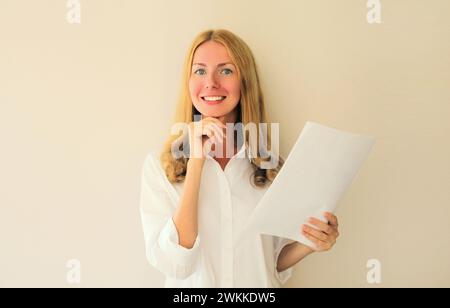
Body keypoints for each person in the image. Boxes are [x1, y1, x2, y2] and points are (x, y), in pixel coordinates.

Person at [139, 29, 339, 287]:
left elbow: (269, 260)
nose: (211, 82)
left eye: (225, 70)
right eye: (199, 70)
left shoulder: (271, 167)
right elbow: (176, 264)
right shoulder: (159, 167)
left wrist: (311, 242)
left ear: (245, 81)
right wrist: (197, 162)